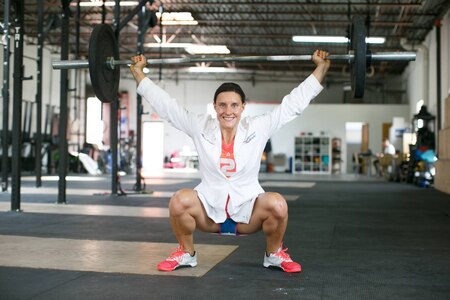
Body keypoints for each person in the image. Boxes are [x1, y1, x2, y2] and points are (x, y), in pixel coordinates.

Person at [130, 50, 330, 273]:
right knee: (179, 200)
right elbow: (167, 107)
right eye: (222, 105)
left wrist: (321, 68)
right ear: (215, 107)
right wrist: (139, 74)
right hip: (208, 213)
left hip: (248, 214)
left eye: (234, 105)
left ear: (243, 107)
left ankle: (273, 255)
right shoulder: (200, 126)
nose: (228, 111)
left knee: (278, 204)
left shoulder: (258, 127)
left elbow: (292, 104)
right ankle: (186, 253)